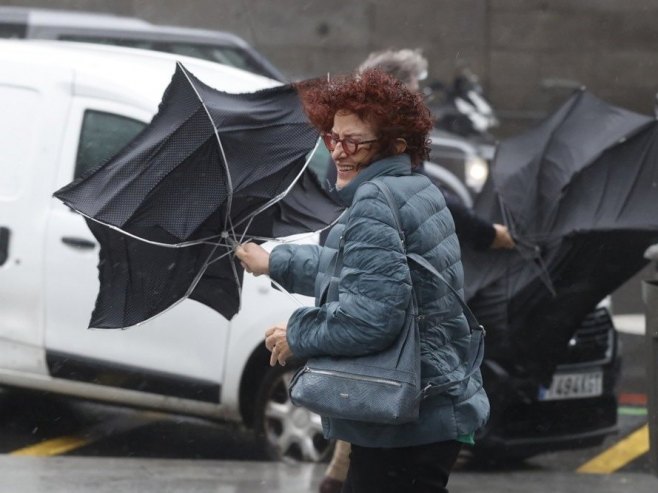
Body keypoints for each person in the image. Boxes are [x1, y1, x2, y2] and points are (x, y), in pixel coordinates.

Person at [236, 69, 489, 493]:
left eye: (353, 141)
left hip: (405, 419)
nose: (337, 151)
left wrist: (298, 333)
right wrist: (274, 261)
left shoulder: (375, 202)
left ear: (395, 145)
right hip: (428, 409)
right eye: (333, 138)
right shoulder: (414, 188)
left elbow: (371, 317)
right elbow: (360, 270)